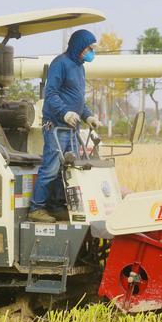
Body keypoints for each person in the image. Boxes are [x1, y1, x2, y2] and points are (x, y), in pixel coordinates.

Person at [28, 29, 101, 222]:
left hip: (72, 127)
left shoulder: (80, 67)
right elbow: (51, 94)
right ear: (79, 46)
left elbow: (77, 99)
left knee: (69, 169)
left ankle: (57, 206)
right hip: (57, 125)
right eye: (89, 48)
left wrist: (88, 116)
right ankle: (37, 208)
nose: (91, 52)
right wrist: (64, 113)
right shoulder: (60, 64)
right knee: (51, 167)